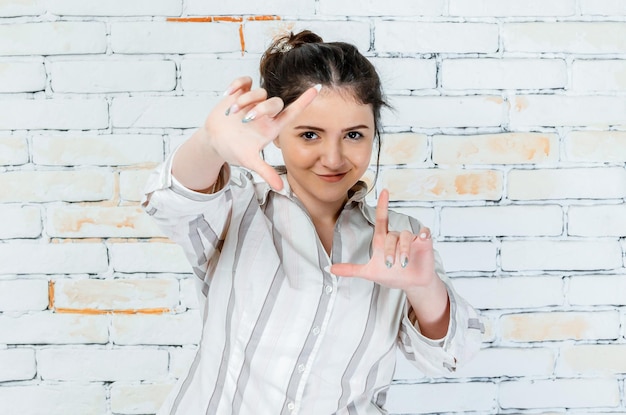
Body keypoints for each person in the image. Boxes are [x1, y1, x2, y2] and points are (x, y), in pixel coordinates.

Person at [142, 30, 483, 415]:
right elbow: (168, 202)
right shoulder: (238, 203)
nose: (333, 158)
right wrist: (210, 143)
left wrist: (424, 288)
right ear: (276, 134)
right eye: (309, 135)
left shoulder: (397, 242)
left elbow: (450, 356)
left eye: (354, 134)